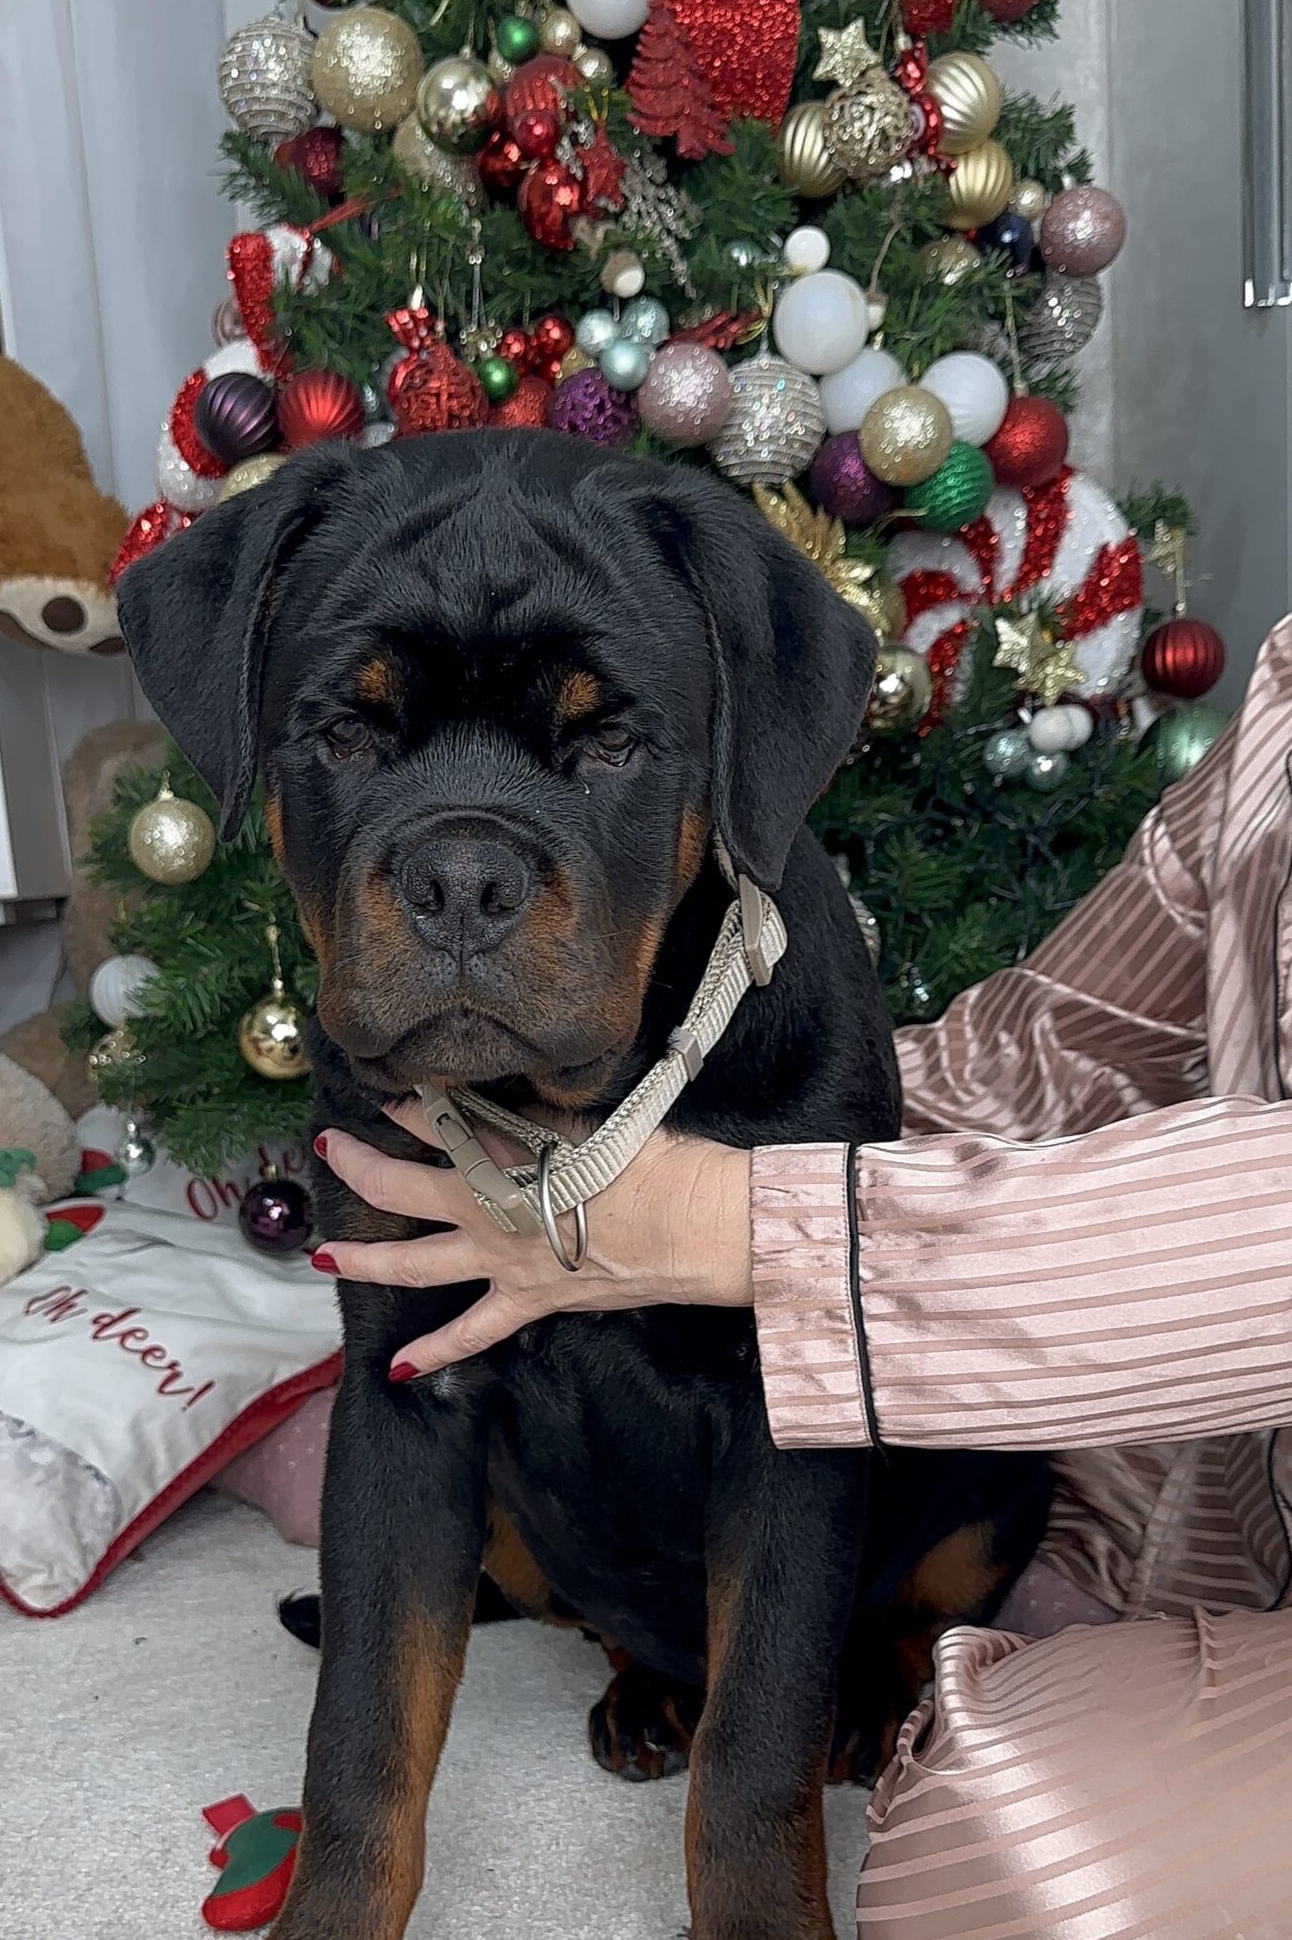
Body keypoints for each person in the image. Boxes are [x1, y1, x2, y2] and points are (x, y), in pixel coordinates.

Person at [315, 617, 1292, 1636]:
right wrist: (780, 1117)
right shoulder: (1282, 691)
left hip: (1191, 1523)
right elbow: (1060, 1036)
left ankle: (890, 1641)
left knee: (998, 1739)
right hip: (1193, 1498)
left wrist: (739, 1222)